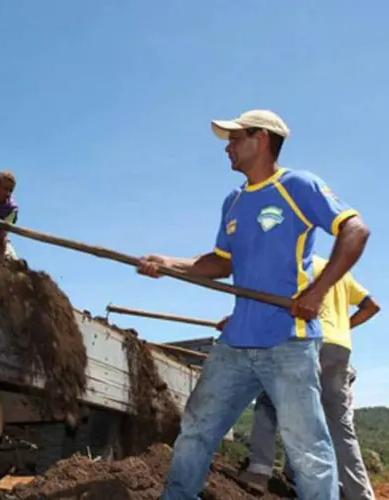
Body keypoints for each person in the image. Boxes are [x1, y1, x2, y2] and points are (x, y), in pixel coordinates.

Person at [135, 109, 371, 500]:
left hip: (288, 344)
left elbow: (355, 229)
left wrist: (317, 291)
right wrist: (169, 263)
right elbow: (220, 264)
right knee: (196, 427)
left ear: (260, 139)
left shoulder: (297, 185)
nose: (227, 146)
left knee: (308, 450)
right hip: (235, 343)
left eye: (234, 137)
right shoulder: (233, 201)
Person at [232, 254, 380, 499]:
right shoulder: (337, 270)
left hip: (304, 343)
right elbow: (372, 306)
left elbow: (267, 310)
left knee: (269, 403)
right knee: (339, 425)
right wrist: (341, 327)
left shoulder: (294, 268)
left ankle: (259, 471)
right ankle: (360, 495)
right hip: (338, 349)